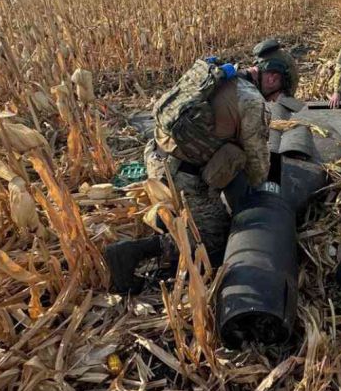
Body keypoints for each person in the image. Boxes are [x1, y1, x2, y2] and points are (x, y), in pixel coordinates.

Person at [105, 58, 271, 292]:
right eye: (278, 95)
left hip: (157, 156)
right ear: (273, 79)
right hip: (181, 175)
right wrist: (262, 198)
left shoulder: (216, 76)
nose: (274, 101)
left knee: (200, 211)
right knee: (213, 242)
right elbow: (257, 162)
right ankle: (131, 252)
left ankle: (171, 218)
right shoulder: (252, 101)